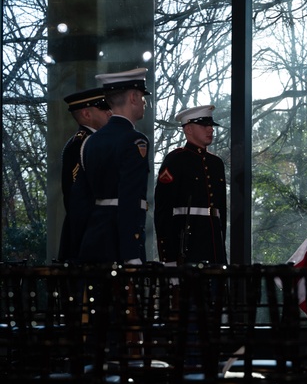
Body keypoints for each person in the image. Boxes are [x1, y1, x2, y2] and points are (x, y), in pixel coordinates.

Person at [77, 68, 151, 264]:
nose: (145, 103)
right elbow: (129, 198)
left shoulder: (90, 141)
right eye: (143, 97)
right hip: (121, 243)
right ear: (133, 97)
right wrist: (131, 254)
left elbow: (82, 199)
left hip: (94, 239)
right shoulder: (135, 140)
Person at [154, 105, 228, 265]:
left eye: (211, 126)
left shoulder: (216, 163)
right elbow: (163, 211)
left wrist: (222, 248)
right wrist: (169, 259)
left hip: (214, 245)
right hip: (187, 244)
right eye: (204, 125)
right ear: (188, 129)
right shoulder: (175, 160)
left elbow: (221, 211)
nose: (210, 130)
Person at [57, 87, 112, 262]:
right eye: (104, 107)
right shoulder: (83, 144)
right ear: (87, 114)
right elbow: (77, 198)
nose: (110, 112)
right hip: (86, 234)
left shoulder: (93, 142)